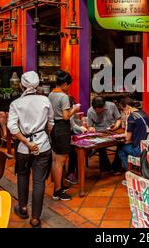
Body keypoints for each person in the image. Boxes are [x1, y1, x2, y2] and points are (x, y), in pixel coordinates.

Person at [7, 71, 54, 228]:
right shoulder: (45, 100)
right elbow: (51, 123)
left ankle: (23, 208)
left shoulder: (16, 104)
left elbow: (12, 128)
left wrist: (27, 142)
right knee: (39, 181)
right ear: (37, 85)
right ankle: (35, 219)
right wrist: (42, 137)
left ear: (22, 85)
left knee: (22, 175)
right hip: (43, 145)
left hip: (23, 147)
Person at [48, 70, 81, 200]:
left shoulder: (51, 94)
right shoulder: (63, 96)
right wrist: (75, 109)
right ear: (65, 84)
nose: (69, 88)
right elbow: (66, 116)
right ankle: (57, 191)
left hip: (54, 127)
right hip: (62, 128)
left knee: (56, 158)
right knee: (60, 161)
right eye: (69, 85)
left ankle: (59, 184)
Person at [86, 96, 122, 172]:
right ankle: (106, 168)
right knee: (100, 146)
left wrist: (116, 126)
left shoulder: (111, 106)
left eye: (100, 110)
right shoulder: (90, 111)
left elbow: (118, 119)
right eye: (96, 110)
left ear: (104, 106)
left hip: (113, 130)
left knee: (121, 143)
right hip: (99, 132)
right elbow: (90, 126)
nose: (97, 111)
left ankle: (116, 166)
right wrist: (91, 129)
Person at [117, 96, 149, 171]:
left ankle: (129, 172)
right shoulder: (143, 113)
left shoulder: (131, 117)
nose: (123, 112)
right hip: (148, 147)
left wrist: (127, 119)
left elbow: (128, 138)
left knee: (120, 149)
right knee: (126, 146)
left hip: (139, 150)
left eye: (123, 109)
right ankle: (134, 167)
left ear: (127, 106)